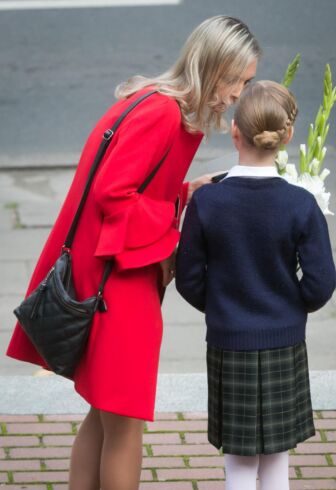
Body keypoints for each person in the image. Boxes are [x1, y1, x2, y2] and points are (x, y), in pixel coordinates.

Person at [6, 16, 261, 490]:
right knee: (124, 423)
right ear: (217, 68)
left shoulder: (152, 101)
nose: (238, 95)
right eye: (240, 81)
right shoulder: (163, 114)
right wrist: (174, 222)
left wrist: (186, 192)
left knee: (104, 417)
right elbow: (113, 193)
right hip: (117, 285)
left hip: (102, 273)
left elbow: (130, 186)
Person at [175, 80, 336, 490]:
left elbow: (188, 278)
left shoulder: (207, 202)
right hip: (284, 342)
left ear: (234, 132)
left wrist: (222, 305)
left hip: (230, 343)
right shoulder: (301, 203)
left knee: (240, 462)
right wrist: (288, 305)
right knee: (277, 459)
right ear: (288, 137)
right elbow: (320, 284)